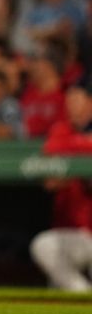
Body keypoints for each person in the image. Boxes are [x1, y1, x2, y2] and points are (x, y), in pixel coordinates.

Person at [31, 85, 92, 291]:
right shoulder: (61, 130)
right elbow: (50, 179)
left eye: (77, 101)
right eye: (69, 102)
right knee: (44, 246)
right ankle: (82, 293)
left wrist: (72, 159)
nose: (71, 107)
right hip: (72, 232)